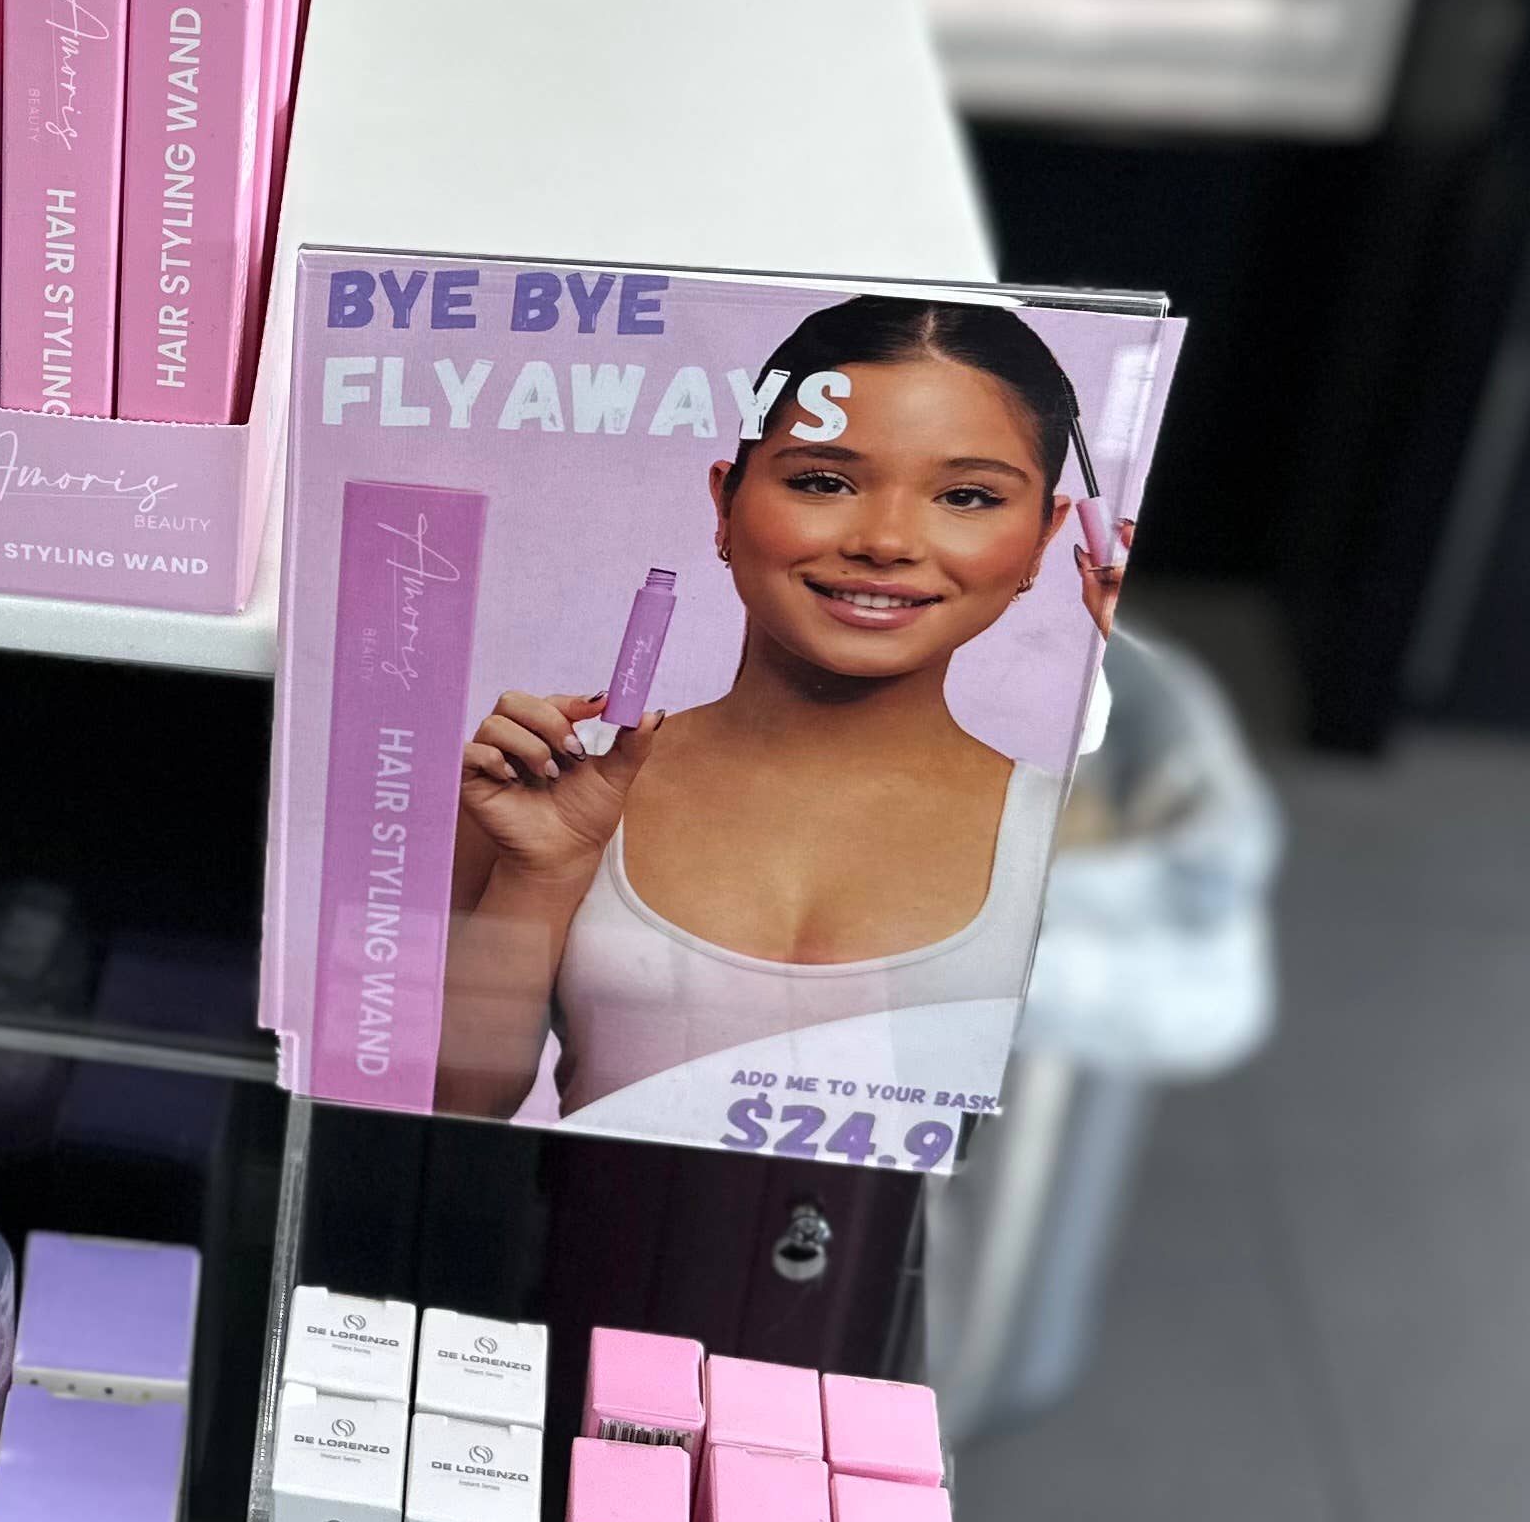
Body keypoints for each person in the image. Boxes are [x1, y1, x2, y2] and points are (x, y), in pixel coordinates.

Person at [434, 297, 1128, 1129]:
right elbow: (440, 1114)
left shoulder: (1084, 840)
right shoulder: (551, 795)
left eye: (968, 496)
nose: (886, 542)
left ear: (1047, 537)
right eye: (822, 482)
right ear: (725, 504)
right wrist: (539, 875)